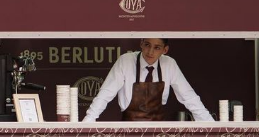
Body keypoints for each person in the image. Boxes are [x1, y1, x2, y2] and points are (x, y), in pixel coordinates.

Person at [82, 38, 214, 122]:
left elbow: (189, 97)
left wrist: (211, 126)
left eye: (157, 47)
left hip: (157, 134)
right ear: (141, 43)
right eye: (147, 45)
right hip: (128, 132)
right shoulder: (126, 61)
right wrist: (88, 122)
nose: (150, 51)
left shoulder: (169, 64)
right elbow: (105, 94)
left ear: (165, 50)